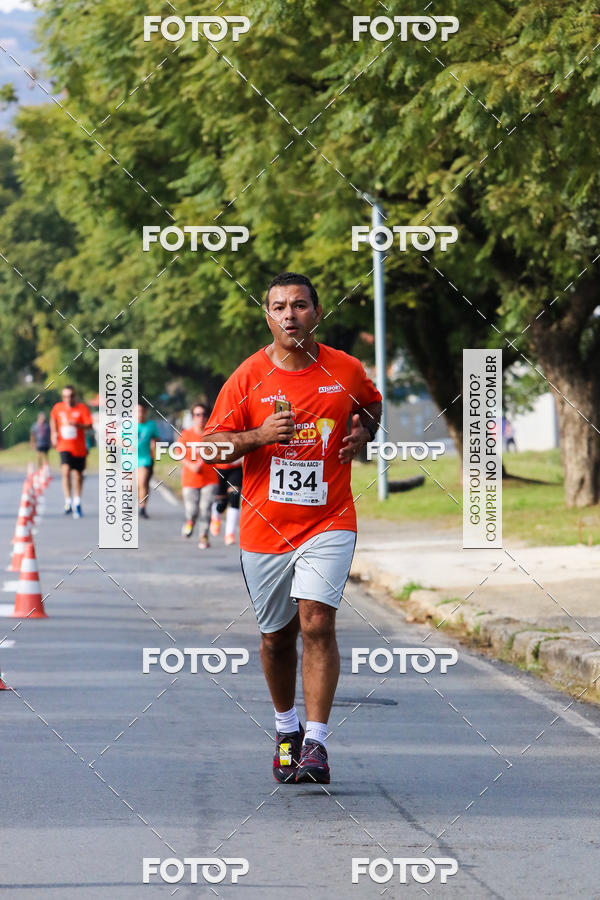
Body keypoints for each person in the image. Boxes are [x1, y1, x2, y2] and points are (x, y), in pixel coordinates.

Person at [204, 272, 381, 784]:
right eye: (279, 307)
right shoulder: (247, 376)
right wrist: (258, 435)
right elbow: (211, 449)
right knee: (276, 638)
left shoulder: (345, 369)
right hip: (266, 528)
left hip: (329, 519)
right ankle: (287, 730)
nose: (289, 315)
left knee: (317, 624)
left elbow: (371, 405)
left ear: (317, 312)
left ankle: (318, 744)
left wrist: (363, 434)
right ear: (268, 316)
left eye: (299, 305)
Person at [50, 386, 93, 518]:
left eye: (71, 396)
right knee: (66, 471)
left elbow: (89, 425)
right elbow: (53, 419)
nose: (68, 399)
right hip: (64, 446)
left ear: (75, 396)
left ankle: (77, 501)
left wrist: (77, 425)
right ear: (63, 397)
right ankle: (68, 501)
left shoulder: (82, 408)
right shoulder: (58, 408)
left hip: (79, 448)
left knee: (78, 476)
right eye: (65, 396)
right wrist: (53, 433)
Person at [180, 403, 218, 549]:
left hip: (209, 479)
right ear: (193, 417)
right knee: (193, 510)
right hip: (190, 479)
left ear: (207, 417)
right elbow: (178, 453)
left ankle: (203, 536)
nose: (200, 418)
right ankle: (190, 521)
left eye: (203, 414)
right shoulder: (186, 434)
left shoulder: (212, 435)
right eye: (197, 414)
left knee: (205, 507)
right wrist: (191, 465)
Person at [210, 459, 243, 545]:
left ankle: (229, 533)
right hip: (218, 468)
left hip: (235, 468)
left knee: (234, 497)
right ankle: (216, 518)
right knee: (221, 505)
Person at [137, 402, 160, 518]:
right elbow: (117, 439)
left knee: (143, 482)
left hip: (145, 458)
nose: (140, 414)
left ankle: (142, 508)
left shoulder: (151, 425)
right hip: (130, 459)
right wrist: (124, 443)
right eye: (137, 411)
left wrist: (154, 442)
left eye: (142, 411)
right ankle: (140, 500)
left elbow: (157, 438)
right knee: (134, 486)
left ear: (145, 413)